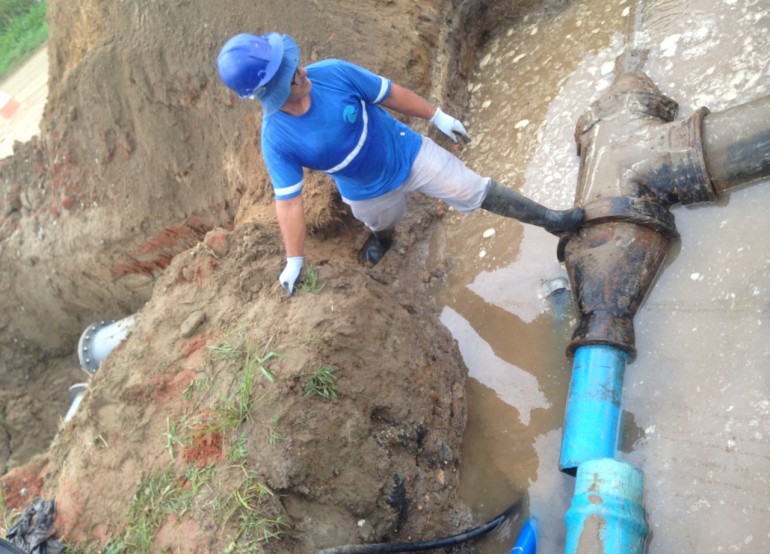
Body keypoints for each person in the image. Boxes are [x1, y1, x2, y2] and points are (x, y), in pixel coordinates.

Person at [216, 32, 584, 295]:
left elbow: (389, 93)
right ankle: (383, 237)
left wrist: (437, 116)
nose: (303, 73)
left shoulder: (333, 73)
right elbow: (289, 201)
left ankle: (552, 221)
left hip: (408, 152)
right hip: (363, 189)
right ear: (271, 91)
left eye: (295, 66)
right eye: (291, 75)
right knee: (381, 220)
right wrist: (294, 259)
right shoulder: (276, 137)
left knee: (471, 188)